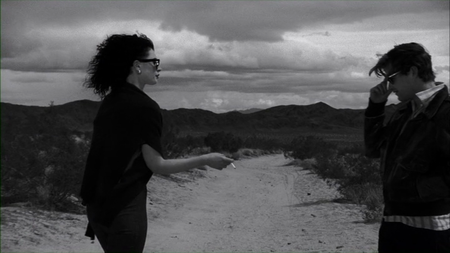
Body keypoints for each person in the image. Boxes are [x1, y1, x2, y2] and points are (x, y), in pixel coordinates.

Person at [79, 33, 234, 253]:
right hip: (124, 208)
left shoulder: (110, 102)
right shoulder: (145, 107)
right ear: (137, 66)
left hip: (97, 209)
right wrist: (207, 159)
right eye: (155, 62)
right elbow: (158, 165)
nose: (158, 67)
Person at [365, 42, 450, 252]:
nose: (389, 86)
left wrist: (414, 191)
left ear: (412, 71)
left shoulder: (446, 114)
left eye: (392, 78)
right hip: (394, 222)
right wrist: (376, 106)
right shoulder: (404, 113)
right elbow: (373, 149)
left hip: (431, 229)